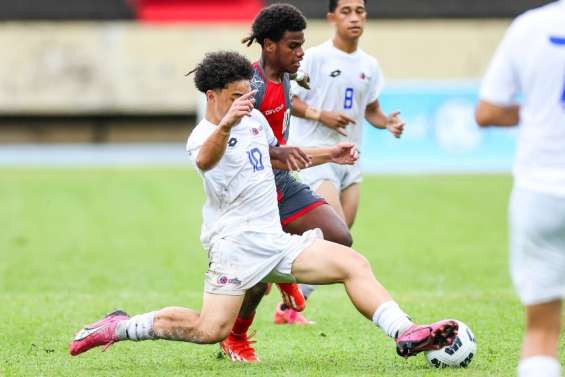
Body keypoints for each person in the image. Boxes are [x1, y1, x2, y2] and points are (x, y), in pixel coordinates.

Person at [69, 51, 458, 364]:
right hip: (234, 248)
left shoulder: (253, 118)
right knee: (210, 330)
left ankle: (406, 331)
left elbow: (275, 155)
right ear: (212, 96)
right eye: (237, 95)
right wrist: (225, 127)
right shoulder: (202, 136)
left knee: (353, 263)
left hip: (274, 239)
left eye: (247, 94)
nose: (246, 101)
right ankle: (119, 326)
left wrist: (329, 153)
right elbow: (206, 161)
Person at [220, 3, 359, 363]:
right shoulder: (247, 88)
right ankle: (236, 336)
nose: (301, 53)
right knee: (257, 279)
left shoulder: (284, 73)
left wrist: (318, 134)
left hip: (280, 179)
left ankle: (285, 272)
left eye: (301, 45)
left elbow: (291, 101)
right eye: (293, 46)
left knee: (340, 236)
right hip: (249, 188)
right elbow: (232, 147)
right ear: (269, 45)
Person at [287, 0, 406, 315]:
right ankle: (284, 278)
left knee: (339, 237)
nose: (354, 17)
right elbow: (289, 98)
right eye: (346, 11)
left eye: (360, 11)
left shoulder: (369, 65)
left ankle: (291, 301)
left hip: (350, 159)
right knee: (335, 231)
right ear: (331, 18)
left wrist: (388, 122)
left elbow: (372, 111)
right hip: (317, 155)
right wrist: (320, 115)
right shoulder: (314, 57)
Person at [475, 1, 565, 376]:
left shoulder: (530, 26)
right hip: (539, 185)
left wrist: (536, 114)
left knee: (541, 331)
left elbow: (487, 112)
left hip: (540, 189)